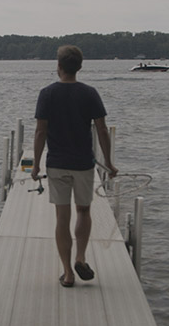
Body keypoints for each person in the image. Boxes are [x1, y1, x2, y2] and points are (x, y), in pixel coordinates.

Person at [31, 45, 118, 288]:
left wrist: (35, 164)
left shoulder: (47, 94)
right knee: (83, 211)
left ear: (58, 67)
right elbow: (101, 130)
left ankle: (68, 273)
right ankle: (81, 257)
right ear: (79, 67)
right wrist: (109, 163)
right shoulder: (90, 93)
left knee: (62, 217)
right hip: (83, 164)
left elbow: (40, 132)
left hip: (57, 164)